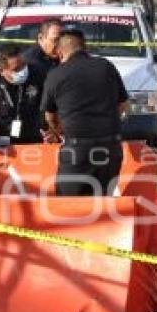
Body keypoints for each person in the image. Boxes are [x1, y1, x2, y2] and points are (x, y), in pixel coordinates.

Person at [41, 29, 129, 196]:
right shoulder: (106, 66)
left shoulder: (56, 74)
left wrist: (58, 131)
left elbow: (49, 115)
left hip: (77, 150)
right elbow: (123, 104)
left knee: (70, 206)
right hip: (110, 147)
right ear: (85, 47)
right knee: (103, 201)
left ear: (60, 51)